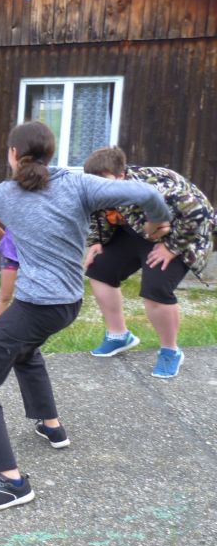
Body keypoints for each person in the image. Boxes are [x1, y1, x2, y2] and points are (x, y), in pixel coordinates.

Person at [0, 121, 172, 512]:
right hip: (68, 304)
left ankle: (11, 482)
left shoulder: (5, 193)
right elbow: (148, 193)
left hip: (38, 307)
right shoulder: (78, 183)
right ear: (50, 153)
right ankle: (51, 425)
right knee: (25, 351)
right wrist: (156, 222)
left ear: (13, 154)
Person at [81, 146, 215, 378]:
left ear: (121, 175)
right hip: (140, 231)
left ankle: (170, 351)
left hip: (183, 235)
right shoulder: (99, 186)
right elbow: (99, 213)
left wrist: (172, 247)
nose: (99, 188)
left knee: (156, 289)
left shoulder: (153, 186)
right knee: (99, 269)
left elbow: (198, 213)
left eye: (104, 182)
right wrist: (96, 242)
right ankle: (119, 335)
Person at [0, 217, 19, 318]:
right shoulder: (12, 206)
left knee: (31, 299)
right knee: (5, 297)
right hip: (11, 256)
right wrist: (8, 243)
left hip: (34, 257)